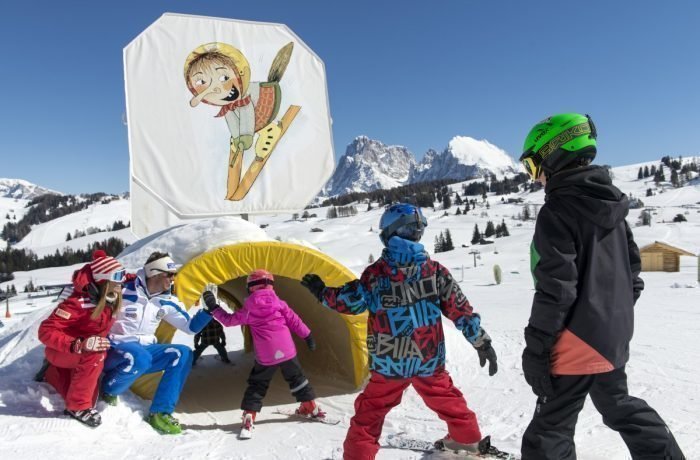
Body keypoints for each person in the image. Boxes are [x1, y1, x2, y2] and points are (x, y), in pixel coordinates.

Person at [518, 113, 686, 459]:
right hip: (611, 336)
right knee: (618, 404)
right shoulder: (612, 205)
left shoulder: (558, 211)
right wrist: (610, 316)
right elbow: (633, 273)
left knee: (549, 430)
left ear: (554, 153)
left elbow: (557, 289)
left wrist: (536, 348)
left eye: (535, 166)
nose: (536, 178)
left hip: (576, 339)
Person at [301, 203, 502, 460]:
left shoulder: (375, 275)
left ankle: (358, 456)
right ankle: (468, 440)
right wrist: (480, 341)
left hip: (389, 361)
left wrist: (322, 292)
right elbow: (459, 309)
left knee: (369, 414)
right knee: (447, 399)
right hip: (428, 357)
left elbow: (351, 301)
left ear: (388, 234)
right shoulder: (435, 272)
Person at [100, 252, 212, 434]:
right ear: (155, 273)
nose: (173, 278)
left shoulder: (167, 301)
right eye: (170, 274)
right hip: (116, 349)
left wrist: (209, 310)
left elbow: (190, 327)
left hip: (143, 351)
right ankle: (108, 390)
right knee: (140, 356)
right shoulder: (123, 290)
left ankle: (160, 412)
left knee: (182, 354)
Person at [202, 269, 319, 437]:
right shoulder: (280, 303)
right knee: (297, 378)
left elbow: (228, 321)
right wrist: (308, 336)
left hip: (266, 355)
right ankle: (310, 406)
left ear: (251, 287)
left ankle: (250, 414)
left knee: (258, 383)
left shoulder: (249, 309)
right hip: (287, 350)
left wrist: (214, 307)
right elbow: (295, 321)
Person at [37, 250, 126, 427]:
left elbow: (129, 276)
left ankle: (52, 374)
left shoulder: (107, 297)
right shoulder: (77, 303)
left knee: (90, 397)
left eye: (122, 277)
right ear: (103, 281)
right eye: (117, 278)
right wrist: (78, 345)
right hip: (64, 350)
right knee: (96, 355)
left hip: (81, 355)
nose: (121, 283)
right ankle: (77, 407)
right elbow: (45, 331)